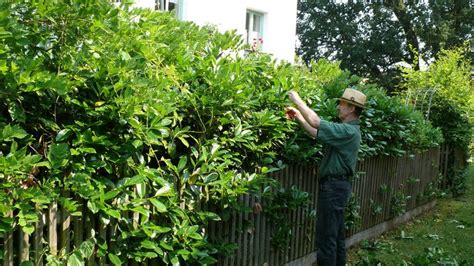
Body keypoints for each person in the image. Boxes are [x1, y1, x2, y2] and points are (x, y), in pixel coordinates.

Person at [286, 88, 366, 266]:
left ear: (351, 108)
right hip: (337, 187)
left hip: (333, 188)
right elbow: (315, 132)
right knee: (335, 237)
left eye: (342, 104)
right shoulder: (347, 131)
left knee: (326, 239)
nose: (338, 106)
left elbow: (315, 122)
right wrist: (299, 116)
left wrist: (297, 100)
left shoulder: (348, 132)